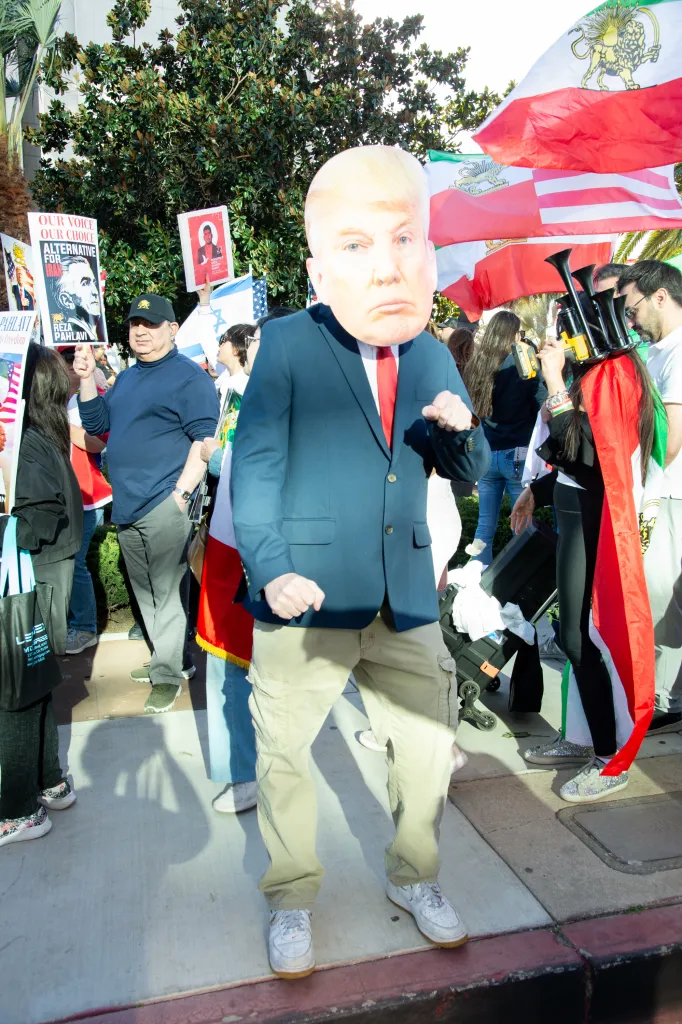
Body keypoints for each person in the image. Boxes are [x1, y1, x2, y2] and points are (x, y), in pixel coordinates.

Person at [231, 145, 490, 980]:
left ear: (425, 250)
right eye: (355, 246)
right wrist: (269, 566)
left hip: (406, 597)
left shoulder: (432, 351)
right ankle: (292, 898)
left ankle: (416, 877)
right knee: (284, 755)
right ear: (319, 266)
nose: (384, 266)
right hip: (302, 597)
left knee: (423, 756)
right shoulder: (285, 344)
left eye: (403, 239)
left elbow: (468, 472)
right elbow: (258, 466)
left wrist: (461, 433)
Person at [513, 335, 656, 801]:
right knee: (576, 638)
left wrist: (555, 383)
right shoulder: (598, 374)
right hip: (576, 516)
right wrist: (538, 488)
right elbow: (575, 457)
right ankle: (588, 742)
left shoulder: (617, 373)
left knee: (590, 638)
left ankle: (610, 759)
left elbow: (592, 459)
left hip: (600, 522)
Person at [73, 293, 219, 714]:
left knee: (168, 594)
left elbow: (204, 439)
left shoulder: (190, 378)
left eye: (151, 324)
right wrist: (86, 379)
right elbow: (99, 426)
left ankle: (168, 675)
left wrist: (180, 495)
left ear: (172, 330)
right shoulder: (130, 377)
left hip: (164, 503)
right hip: (130, 504)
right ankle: (170, 660)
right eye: (135, 322)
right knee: (147, 593)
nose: (140, 330)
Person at [197, 310, 296, 815]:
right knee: (231, 668)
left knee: (258, 672)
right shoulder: (248, 393)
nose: (246, 345)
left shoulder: (290, 396)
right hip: (236, 545)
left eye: (255, 337)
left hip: (268, 553)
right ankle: (242, 771)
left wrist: (217, 457)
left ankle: (255, 773)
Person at [0, 344, 83, 847]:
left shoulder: (28, 443)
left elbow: (38, 516)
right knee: (31, 684)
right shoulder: (41, 436)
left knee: (15, 695)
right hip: (42, 581)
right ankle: (48, 781)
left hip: (33, 582)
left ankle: (16, 809)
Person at [618, 261, 682, 734]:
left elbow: (672, 437)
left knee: (661, 597)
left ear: (661, 297)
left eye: (632, 306)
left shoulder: (678, 353)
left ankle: (667, 699)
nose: (630, 318)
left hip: (667, 495)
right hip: (654, 493)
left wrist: (638, 485)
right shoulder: (656, 351)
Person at [463, 310, 546, 565]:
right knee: (519, 522)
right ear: (513, 334)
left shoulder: (477, 365)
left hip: (488, 453)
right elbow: (541, 402)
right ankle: (517, 586)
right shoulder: (522, 365)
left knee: (484, 525)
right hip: (517, 452)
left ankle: (476, 578)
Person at [57, 348, 113, 655]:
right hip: (60, 496)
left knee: (76, 563)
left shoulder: (86, 402)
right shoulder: (55, 402)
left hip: (87, 496)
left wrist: (64, 427)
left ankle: (85, 627)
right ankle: (68, 622)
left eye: (70, 364)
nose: (67, 369)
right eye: (65, 364)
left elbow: (99, 442)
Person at [52, 255, 104, 344]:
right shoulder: (72, 342)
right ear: (66, 300)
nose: (95, 292)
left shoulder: (91, 336)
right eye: (84, 283)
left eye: (93, 283)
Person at [214, 323, 252, 399]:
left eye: (223, 340)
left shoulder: (245, 386)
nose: (219, 345)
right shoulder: (221, 382)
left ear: (236, 348)